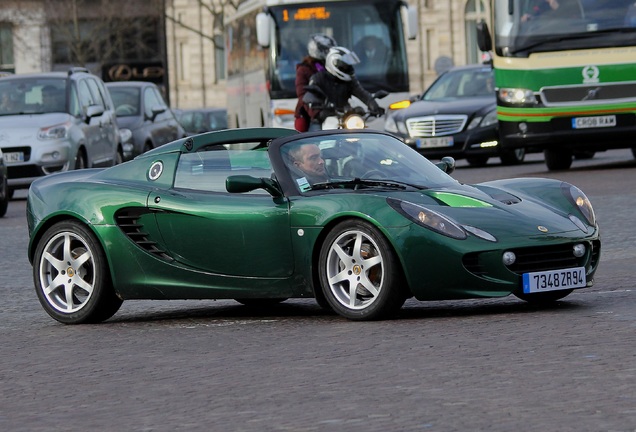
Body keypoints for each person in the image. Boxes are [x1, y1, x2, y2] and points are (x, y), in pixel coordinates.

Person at [303, 46, 382, 130]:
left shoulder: (349, 80)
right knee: (313, 137)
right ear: (334, 63)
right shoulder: (318, 78)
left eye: (348, 66)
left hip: (345, 117)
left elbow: (362, 93)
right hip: (321, 118)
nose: (347, 68)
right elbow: (310, 95)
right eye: (344, 66)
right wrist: (319, 110)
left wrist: (373, 105)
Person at [294, 33, 337, 132]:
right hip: (311, 115)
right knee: (315, 137)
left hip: (332, 112)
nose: (329, 52)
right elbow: (303, 95)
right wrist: (317, 113)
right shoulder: (303, 70)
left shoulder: (333, 66)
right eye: (326, 50)